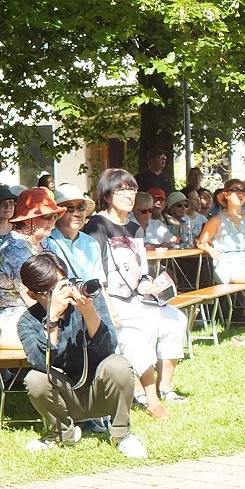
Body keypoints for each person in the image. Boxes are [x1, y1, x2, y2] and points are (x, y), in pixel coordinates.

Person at [17, 253, 147, 458]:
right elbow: (41, 363)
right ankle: (62, 433)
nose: (63, 293)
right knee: (35, 378)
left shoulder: (90, 300)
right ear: (33, 295)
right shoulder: (27, 322)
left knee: (118, 364)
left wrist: (88, 312)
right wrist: (52, 319)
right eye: (51, 290)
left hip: (100, 390)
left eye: (64, 283)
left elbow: (108, 347)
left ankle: (122, 435)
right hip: (66, 397)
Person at [83, 169, 188, 418]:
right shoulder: (96, 226)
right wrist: (107, 306)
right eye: (122, 190)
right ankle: (149, 399)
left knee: (176, 319)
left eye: (132, 189)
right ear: (107, 196)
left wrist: (152, 286)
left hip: (136, 298)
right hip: (110, 299)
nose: (129, 195)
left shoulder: (133, 227)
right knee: (137, 334)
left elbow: (140, 273)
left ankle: (166, 387)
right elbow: (94, 275)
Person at [0, 188, 64, 349]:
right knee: (64, 337)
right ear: (28, 220)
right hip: (8, 320)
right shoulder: (15, 249)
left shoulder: (46, 243)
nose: (53, 221)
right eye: (47, 216)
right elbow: (32, 298)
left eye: (55, 216)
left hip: (39, 314)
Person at [196, 179, 245, 334]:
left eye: (243, 190)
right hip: (227, 264)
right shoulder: (217, 219)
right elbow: (201, 242)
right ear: (226, 194)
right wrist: (212, 251)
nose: (240, 194)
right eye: (235, 190)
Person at [45, 183, 106, 285]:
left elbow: (99, 286)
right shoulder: (46, 242)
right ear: (57, 213)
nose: (76, 213)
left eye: (81, 207)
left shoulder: (92, 244)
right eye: (70, 208)